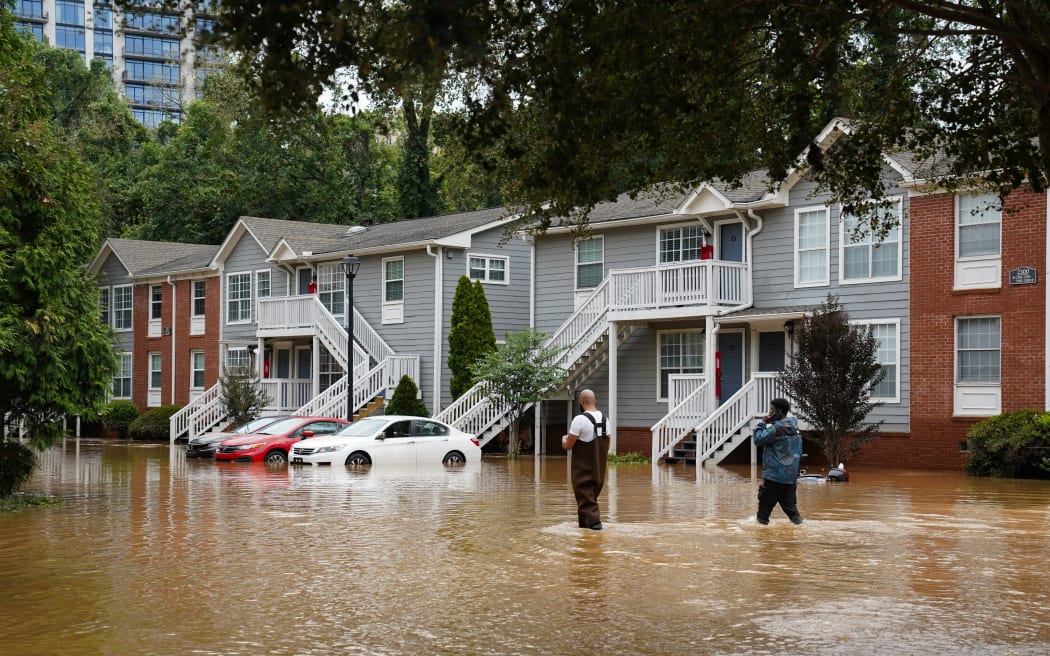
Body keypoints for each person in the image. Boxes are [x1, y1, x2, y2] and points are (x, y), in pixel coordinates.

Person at [561, 389, 610, 530]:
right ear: (594, 400)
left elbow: (568, 446)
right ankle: (584, 530)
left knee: (586, 499)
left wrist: (563, 439)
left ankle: (595, 526)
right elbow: (608, 443)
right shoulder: (605, 419)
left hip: (583, 470)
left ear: (581, 401)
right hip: (599, 470)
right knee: (589, 499)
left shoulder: (579, 420)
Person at [753, 397, 803, 525]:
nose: (769, 413)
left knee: (763, 515)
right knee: (792, 512)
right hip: (790, 477)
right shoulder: (794, 426)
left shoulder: (776, 429)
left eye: (771, 410)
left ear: (779, 411)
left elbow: (758, 439)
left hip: (774, 477)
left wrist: (762, 423)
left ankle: (762, 542)